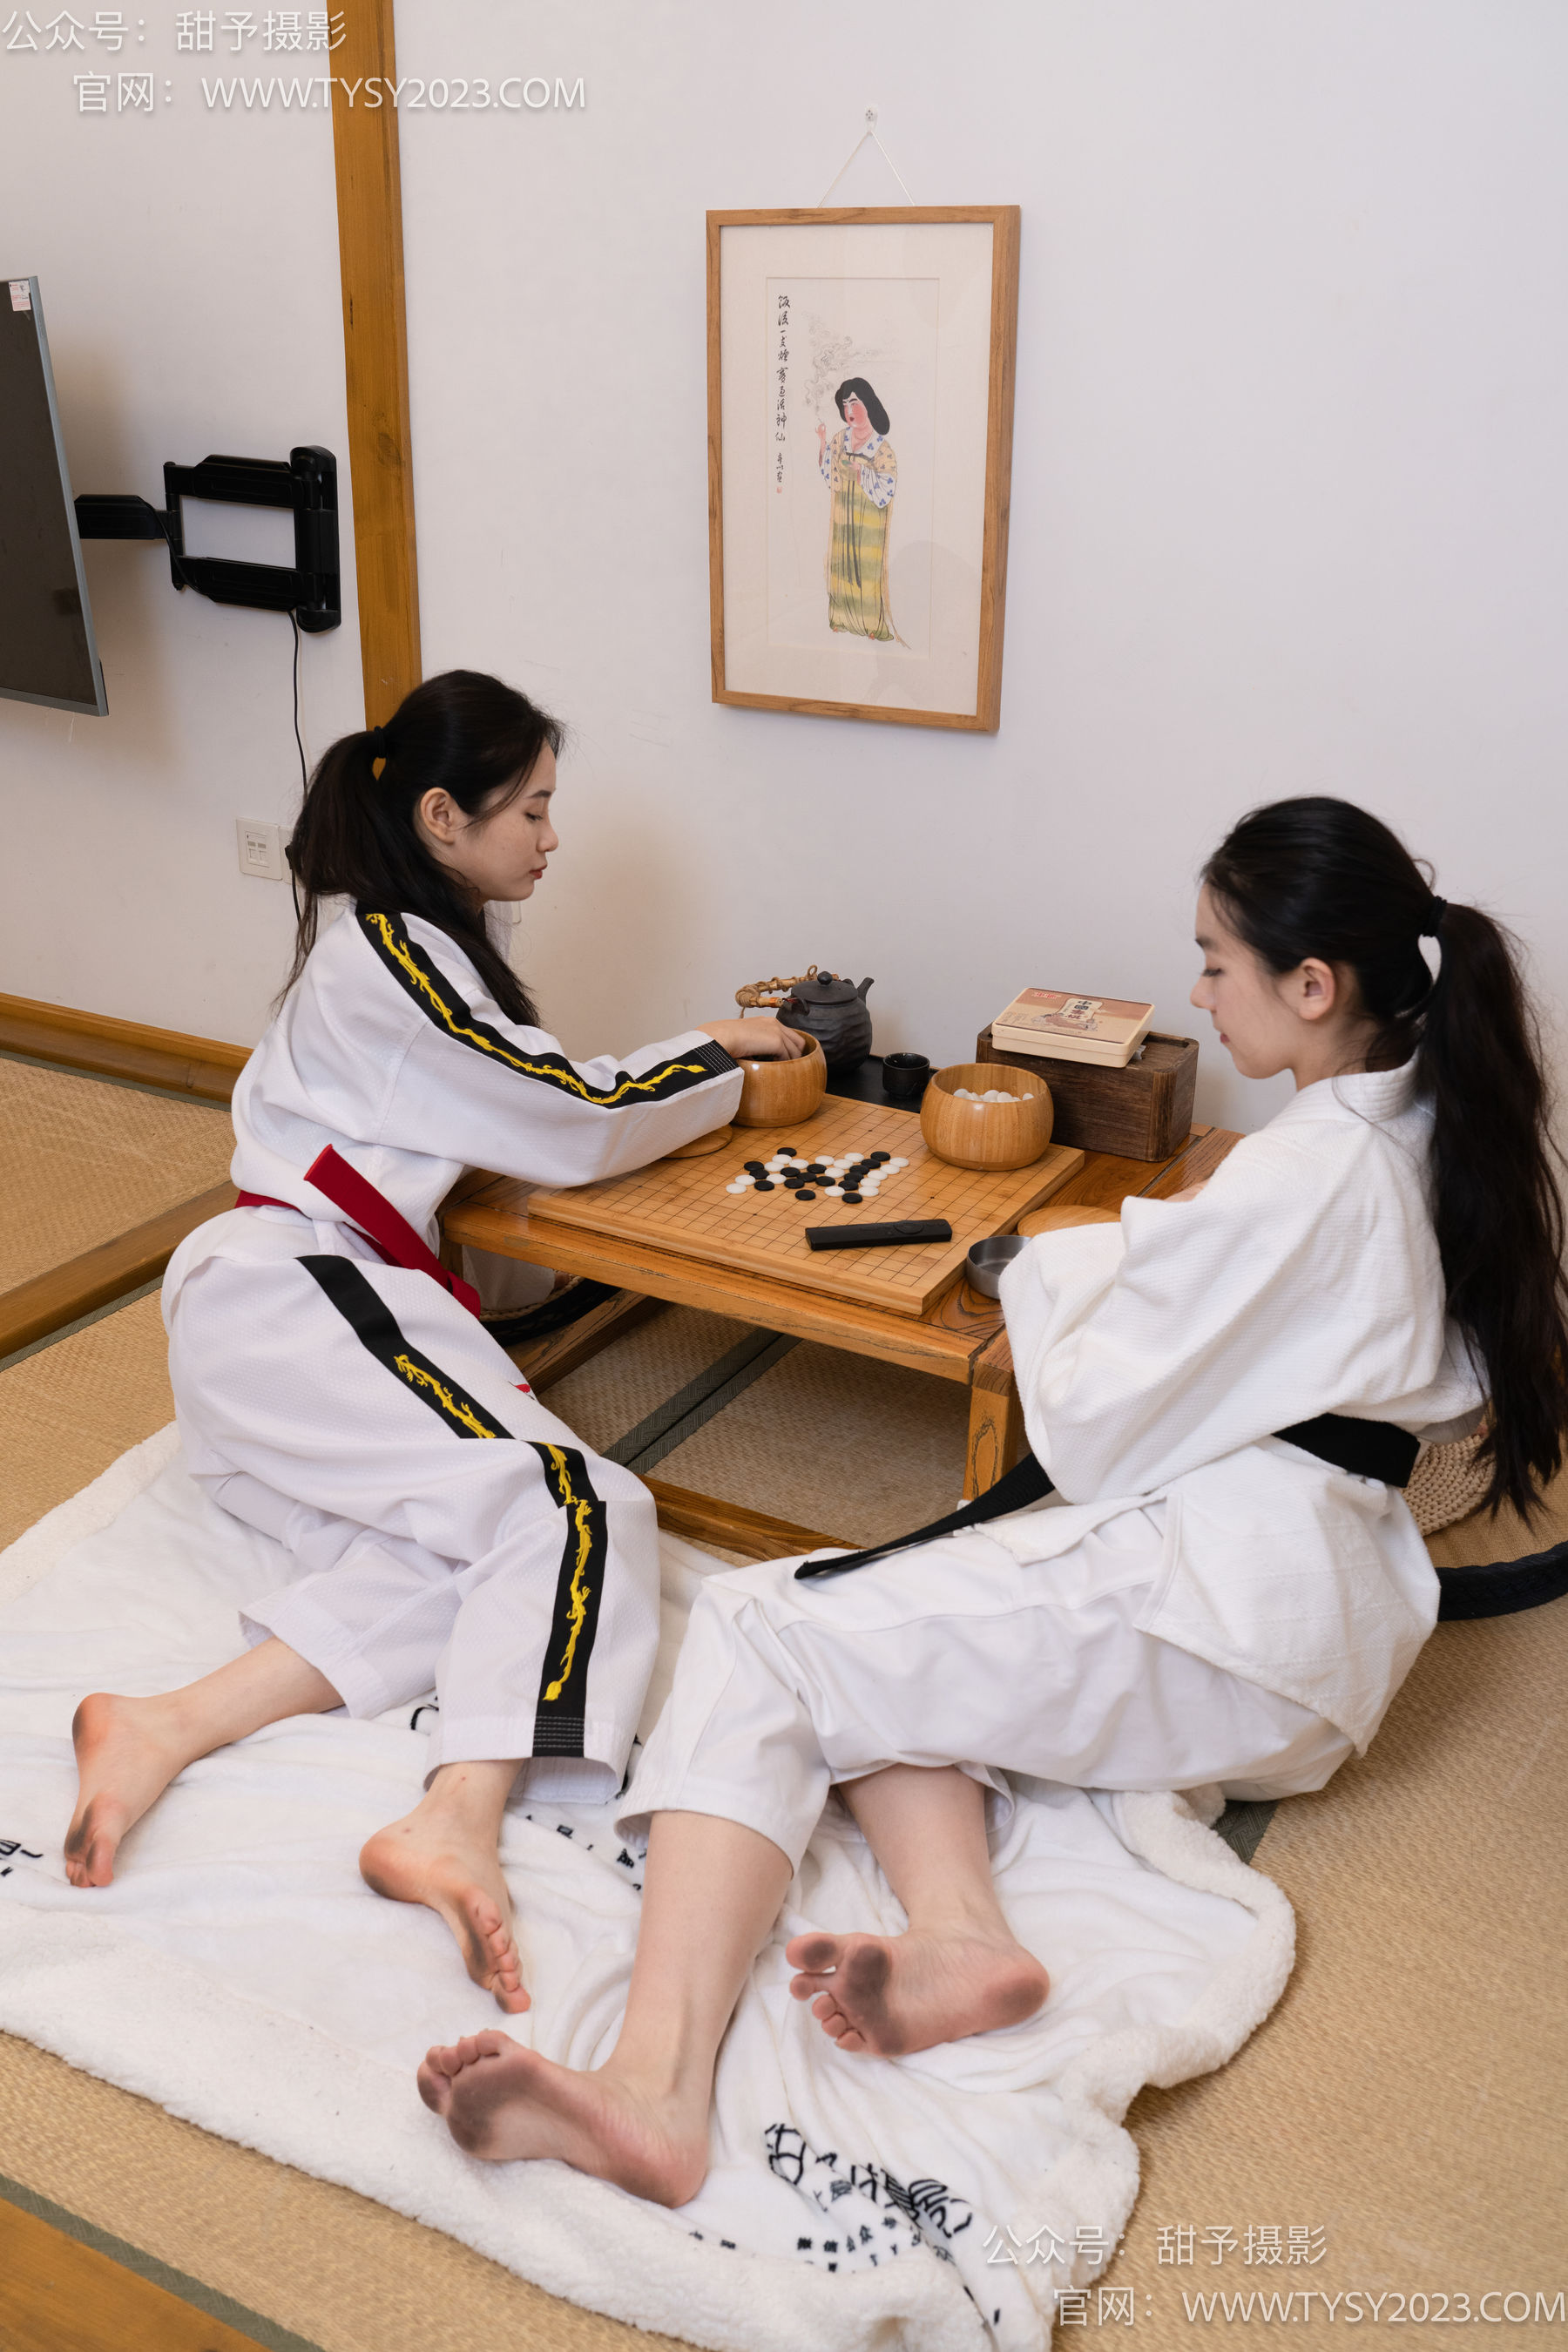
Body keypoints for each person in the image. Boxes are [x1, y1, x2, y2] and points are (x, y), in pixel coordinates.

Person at [414, 794, 1568, 2199]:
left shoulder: (1314, 1172)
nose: (1201, 992)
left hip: (1233, 1621)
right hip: (1311, 1616)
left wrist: (1059, 1264)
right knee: (877, 1617)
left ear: (1313, 986)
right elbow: (1231, 1300)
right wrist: (1135, 1246)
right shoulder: (1429, 1110)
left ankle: (652, 2093)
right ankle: (964, 1938)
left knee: (761, 1628)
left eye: (1216, 963)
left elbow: (1106, 1414)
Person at [62, 667, 803, 2013]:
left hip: (285, 1311)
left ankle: (163, 1724)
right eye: (533, 809)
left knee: (463, 1561)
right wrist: (712, 1055)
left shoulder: (404, 947)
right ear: (444, 818)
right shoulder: (391, 955)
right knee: (579, 1504)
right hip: (290, 1295)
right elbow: (569, 1114)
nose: (553, 838)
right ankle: (460, 1811)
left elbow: (500, 1126)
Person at [816, 377, 899, 643]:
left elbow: (888, 486)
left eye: (854, 402)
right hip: (843, 516)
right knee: (841, 563)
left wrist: (862, 473)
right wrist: (823, 443)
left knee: (865, 568)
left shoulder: (882, 448)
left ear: (868, 403)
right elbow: (829, 471)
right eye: (845, 404)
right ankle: (841, 619)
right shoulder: (840, 439)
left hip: (868, 520)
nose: (849, 410)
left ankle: (871, 625)